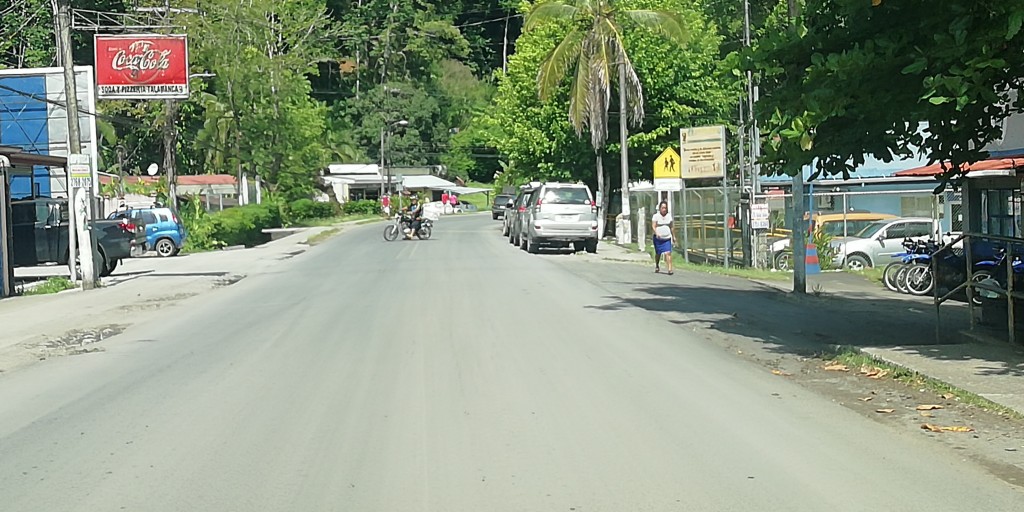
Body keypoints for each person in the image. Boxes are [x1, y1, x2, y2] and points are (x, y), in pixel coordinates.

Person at [651, 201, 674, 275]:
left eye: (665, 208)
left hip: (667, 238)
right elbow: (653, 226)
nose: (664, 209)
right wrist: (656, 233)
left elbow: (671, 227)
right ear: (660, 208)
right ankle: (657, 265)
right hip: (658, 238)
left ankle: (670, 269)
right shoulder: (656, 216)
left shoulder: (669, 216)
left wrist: (673, 236)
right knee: (658, 253)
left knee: (668, 252)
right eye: (663, 208)